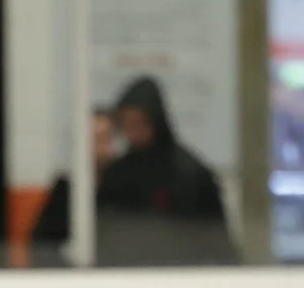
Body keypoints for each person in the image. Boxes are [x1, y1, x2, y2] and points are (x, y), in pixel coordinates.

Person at [95, 77, 237, 265]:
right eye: (126, 124)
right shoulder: (117, 174)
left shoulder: (192, 174)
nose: (132, 132)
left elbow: (216, 239)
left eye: (139, 123)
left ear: (156, 122)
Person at [29, 108, 120, 260]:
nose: (103, 146)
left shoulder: (124, 185)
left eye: (108, 137)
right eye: (97, 139)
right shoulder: (65, 190)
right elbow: (41, 244)